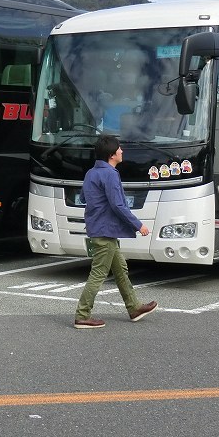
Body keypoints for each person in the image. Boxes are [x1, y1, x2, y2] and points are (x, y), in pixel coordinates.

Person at [74, 134, 157, 328]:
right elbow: (118, 205)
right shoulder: (111, 174)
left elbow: (84, 197)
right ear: (112, 155)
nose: (122, 151)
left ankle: (134, 307)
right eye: (119, 148)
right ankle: (82, 314)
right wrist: (139, 225)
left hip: (98, 228)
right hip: (105, 230)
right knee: (98, 273)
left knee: (121, 269)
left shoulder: (90, 173)